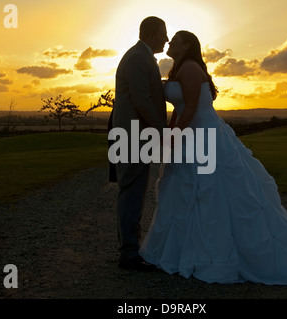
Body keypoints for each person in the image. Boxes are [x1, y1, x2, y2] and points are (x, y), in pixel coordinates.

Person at [139, 30, 287, 290]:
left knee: (210, 192)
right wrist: (171, 132)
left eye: (175, 40)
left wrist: (175, 135)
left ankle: (214, 254)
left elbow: (190, 107)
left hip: (202, 134)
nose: (169, 43)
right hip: (192, 132)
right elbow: (180, 110)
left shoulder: (189, 68)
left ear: (187, 45)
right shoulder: (179, 68)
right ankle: (183, 250)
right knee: (185, 189)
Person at [110, 17, 168, 271]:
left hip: (137, 135)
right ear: (152, 34)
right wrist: (162, 129)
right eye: (163, 34)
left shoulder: (142, 57)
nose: (166, 39)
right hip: (132, 135)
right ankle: (129, 254)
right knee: (132, 190)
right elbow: (142, 100)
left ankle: (131, 248)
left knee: (135, 189)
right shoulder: (136, 58)